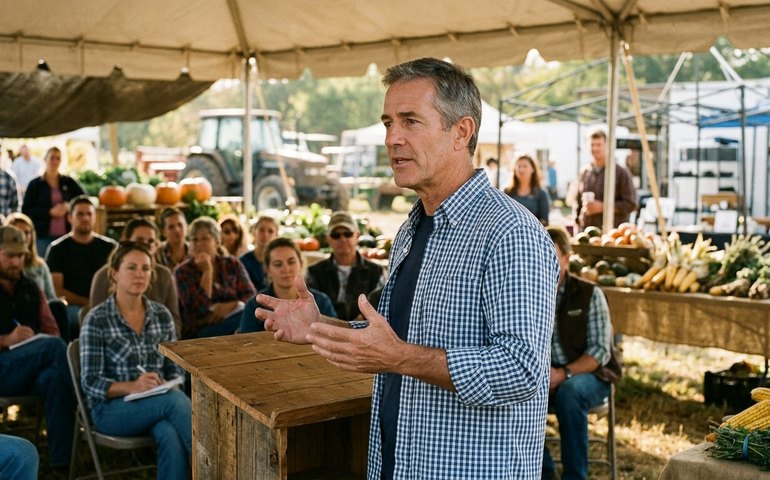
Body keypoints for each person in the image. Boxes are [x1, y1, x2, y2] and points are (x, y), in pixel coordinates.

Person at [255, 57, 558, 479]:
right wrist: (318, 327)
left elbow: (522, 370)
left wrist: (399, 358)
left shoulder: (510, 233)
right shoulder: (412, 229)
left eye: (410, 121)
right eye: (387, 123)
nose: (392, 138)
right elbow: (396, 341)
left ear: (461, 132)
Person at [80, 242, 192, 480]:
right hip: (110, 410)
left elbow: (176, 372)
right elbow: (90, 383)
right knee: (172, 402)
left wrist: (164, 384)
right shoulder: (97, 319)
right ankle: (224, 470)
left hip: (157, 401)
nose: (140, 274)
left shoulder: (161, 315)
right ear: (114, 273)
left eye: (145, 268)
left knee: (170, 433)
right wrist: (133, 386)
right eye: (131, 267)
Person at [543, 226, 621, 480]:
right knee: (514, 391)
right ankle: (543, 472)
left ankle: (575, 476)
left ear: (566, 258)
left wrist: (563, 374)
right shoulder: (529, 293)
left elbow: (600, 351)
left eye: (552, 255)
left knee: (571, 392)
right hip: (546, 374)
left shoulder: (589, 294)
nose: (546, 262)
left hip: (591, 374)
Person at [0, 225, 75, 475]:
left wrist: (36, 342)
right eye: (9, 255)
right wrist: (6, 340)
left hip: (31, 367)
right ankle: (87, 404)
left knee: (54, 378)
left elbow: (52, 330)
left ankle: (60, 465)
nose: (15, 261)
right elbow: (54, 342)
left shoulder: (31, 286)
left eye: (20, 255)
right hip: (2, 367)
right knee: (53, 347)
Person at [89, 217, 182, 338]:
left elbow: (175, 321)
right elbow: (97, 320)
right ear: (125, 241)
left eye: (150, 241)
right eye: (139, 240)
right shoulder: (103, 276)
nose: (145, 245)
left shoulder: (164, 275)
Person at [46, 195, 117, 341]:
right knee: (78, 317)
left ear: (95, 217)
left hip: (108, 304)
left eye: (89, 214)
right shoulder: (57, 249)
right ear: (70, 218)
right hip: (73, 307)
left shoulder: (110, 247)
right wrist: (89, 303)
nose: (85, 218)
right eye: (80, 214)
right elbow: (57, 290)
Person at [175, 216, 255, 338]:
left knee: (250, 315)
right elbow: (200, 310)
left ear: (217, 242)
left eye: (205, 238)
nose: (199, 244)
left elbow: (250, 297)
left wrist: (231, 305)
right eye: (195, 239)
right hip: (201, 332)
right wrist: (207, 271)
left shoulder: (232, 264)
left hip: (235, 321)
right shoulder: (182, 272)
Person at [240, 237, 336, 333]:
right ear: (267, 270)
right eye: (278, 264)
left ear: (301, 264)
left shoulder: (321, 302)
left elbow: (335, 337)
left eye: (291, 262)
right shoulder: (254, 306)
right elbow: (246, 344)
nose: (286, 269)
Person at [306, 211, 384, 321]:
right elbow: (313, 307)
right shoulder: (314, 272)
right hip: (324, 330)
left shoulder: (376, 271)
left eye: (348, 234)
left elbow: (380, 306)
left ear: (357, 236)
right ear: (328, 239)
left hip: (364, 331)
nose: (342, 239)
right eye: (335, 235)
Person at [22, 147, 85, 256]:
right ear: (45, 159)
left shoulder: (68, 182)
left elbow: (84, 199)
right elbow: (26, 210)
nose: (55, 161)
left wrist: (69, 205)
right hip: (42, 237)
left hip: (66, 235)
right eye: (52, 158)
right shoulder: (35, 184)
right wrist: (49, 212)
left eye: (58, 158)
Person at [574, 128, 637, 229]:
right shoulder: (585, 172)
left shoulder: (620, 172)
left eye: (598, 145)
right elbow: (577, 202)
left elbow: (630, 204)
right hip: (586, 232)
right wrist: (577, 222)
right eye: (592, 145)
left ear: (607, 146)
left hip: (612, 232)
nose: (595, 148)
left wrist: (602, 207)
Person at [5, 212, 57, 301]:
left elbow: (51, 298)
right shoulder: (3, 265)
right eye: (18, 232)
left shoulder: (40, 265)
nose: (23, 236)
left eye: (27, 232)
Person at [504, 153, 552, 225]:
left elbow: (545, 221)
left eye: (525, 166)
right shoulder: (507, 192)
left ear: (532, 169)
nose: (521, 169)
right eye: (519, 166)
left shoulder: (541, 193)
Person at [239, 215, 279, 291]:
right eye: (261, 230)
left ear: (276, 235)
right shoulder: (243, 262)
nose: (265, 234)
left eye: (270, 231)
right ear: (254, 232)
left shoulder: (281, 262)